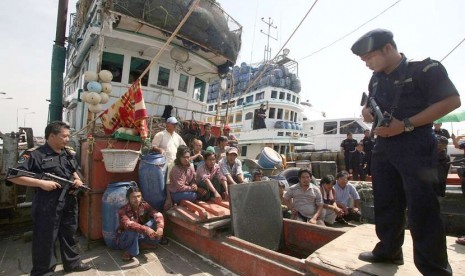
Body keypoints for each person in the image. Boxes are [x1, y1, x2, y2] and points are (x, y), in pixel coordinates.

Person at [352, 28, 460, 274]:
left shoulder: (424, 69)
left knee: (423, 207)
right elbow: (370, 107)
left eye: (369, 57)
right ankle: (389, 251)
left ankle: (434, 268)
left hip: (417, 146)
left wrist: (406, 124)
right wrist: (367, 114)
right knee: (386, 202)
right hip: (384, 148)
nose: (367, 64)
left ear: (388, 48)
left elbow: (452, 100)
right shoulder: (376, 79)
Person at [9, 121, 92, 274]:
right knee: (45, 239)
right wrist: (41, 183)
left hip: (68, 201)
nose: (67, 139)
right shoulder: (34, 154)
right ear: (52, 136)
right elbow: (13, 176)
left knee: (69, 234)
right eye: (64, 136)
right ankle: (43, 272)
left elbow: (73, 169)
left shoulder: (67, 152)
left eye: (68, 136)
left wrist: (77, 179)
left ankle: (72, 264)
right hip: (47, 204)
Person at [116, 186, 165, 262]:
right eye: (133, 197)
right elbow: (128, 224)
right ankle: (130, 251)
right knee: (132, 230)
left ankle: (140, 245)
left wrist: (160, 227)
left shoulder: (144, 205)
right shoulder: (122, 210)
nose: (137, 199)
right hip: (125, 238)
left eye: (139, 196)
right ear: (128, 198)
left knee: (155, 221)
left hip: (140, 233)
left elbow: (157, 214)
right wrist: (147, 229)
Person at [151, 116, 186, 210]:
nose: (175, 126)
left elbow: (184, 147)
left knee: (177, 182)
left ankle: (175, 201)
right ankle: (167, 200)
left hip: (176, 164)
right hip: (164, 164)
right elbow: (153, 146)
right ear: (167, 124)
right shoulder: (160, 134)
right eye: (173, 124)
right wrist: (159, 149)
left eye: (175, 124)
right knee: (166, 183)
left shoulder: (177, 136)